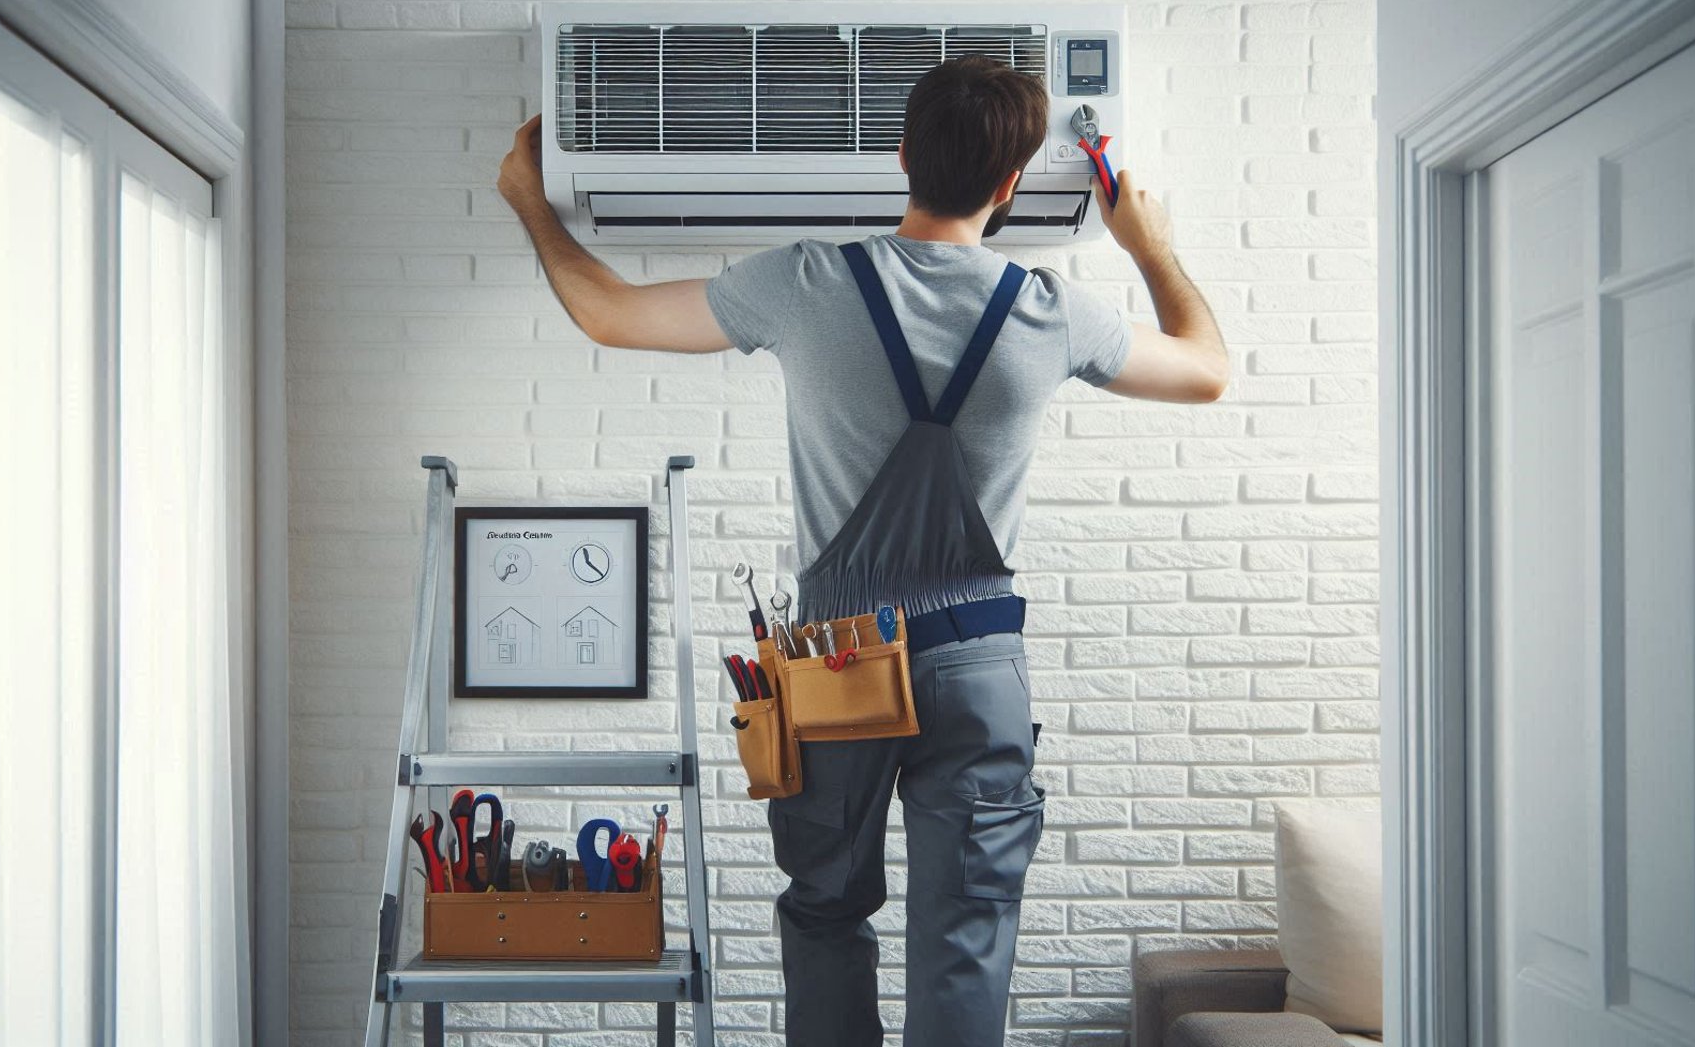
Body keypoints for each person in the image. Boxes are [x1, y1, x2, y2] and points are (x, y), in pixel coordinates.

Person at [496, 55, 1227, 1047]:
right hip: (978, 667)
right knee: (967, 926)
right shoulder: (1050, 309)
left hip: (837, 662)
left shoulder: (803, 282)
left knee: (828, 906)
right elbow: (1206, 370)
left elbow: (609, 311)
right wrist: (1149, 244)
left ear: (901, 158)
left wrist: (532, 205)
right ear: (1010, 183)